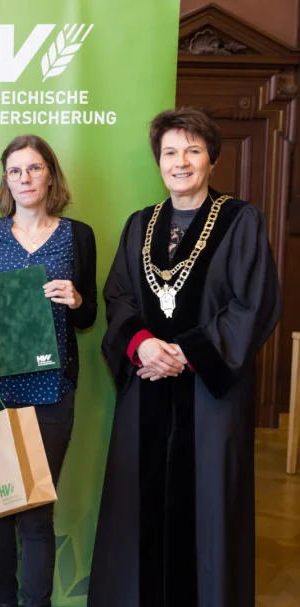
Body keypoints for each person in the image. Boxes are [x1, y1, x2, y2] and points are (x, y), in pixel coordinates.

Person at [89, 107, 282, 607]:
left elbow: (253, 303)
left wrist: (186, 351)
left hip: (209, 397)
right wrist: (143, 345)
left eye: (193, 151)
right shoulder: (140, 224)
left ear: (212, 159)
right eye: (170, 152)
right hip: (147, 384)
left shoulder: (241, 220)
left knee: (209, 503)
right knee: (139, 502)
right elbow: (118, 297)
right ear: (158, 161)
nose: (181, 162)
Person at [0, 134, 97, 607]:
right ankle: (3, 598)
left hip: (51, 390)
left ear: (50, 175)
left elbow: (88, 316)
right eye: (15, 170)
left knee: (36, 511)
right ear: (6, 179)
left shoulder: (78, 235)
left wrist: (76, 299)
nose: (25, 178)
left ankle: (35, 603)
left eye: (35, 168)